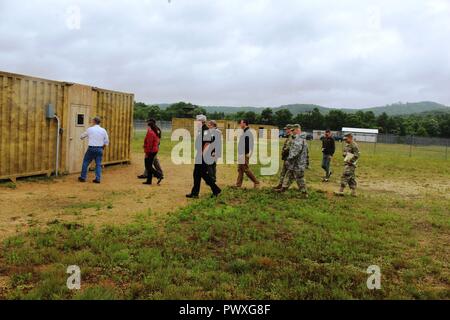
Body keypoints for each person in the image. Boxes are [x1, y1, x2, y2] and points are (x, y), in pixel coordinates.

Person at [186, 115, 222, 199]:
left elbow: (207, 144)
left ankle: (214, 189)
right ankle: (212, 190)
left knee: (199, 174)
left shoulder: (205, 131)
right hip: (201, 156)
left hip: (202, 157)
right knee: (199, 174)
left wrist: (203, 156)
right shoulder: (202, 130)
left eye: (197, 121)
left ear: (201, 121)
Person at [277, 124, 308, 197]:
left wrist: (289, 158)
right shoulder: (299, 138)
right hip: (295, 163)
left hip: (298, 163)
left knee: (300, 178)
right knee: (289, 175)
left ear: (297, 130)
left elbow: (295, 152)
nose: (292, 132)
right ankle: (283, 188)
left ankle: (304, 193)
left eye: (293, 130)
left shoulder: (299, 139)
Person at [79, 117, 109, 184]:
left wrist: (83, 136)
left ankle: (83, 177)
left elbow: (81, 136)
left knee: (86, 162)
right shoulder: (103, 130)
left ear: (94, 122)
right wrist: (102, 148)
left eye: (92, 121)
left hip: (91, 148)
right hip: (100, 148)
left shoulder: (90, 129)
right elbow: (106, 141)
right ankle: (98, 179)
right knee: (98, 164)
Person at [138, 119, 164, 184]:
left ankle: (159, 175)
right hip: (154, 149)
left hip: (151, 150)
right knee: (149, 165)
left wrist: (147, 152)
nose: (146, 126)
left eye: (147, 124)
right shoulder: (153, 130)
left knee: (148, 166)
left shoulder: (151, 132)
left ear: (150, 125)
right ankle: (149, 180)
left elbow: (150, 144)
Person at [235, 119, 260, 189]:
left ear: (245, 124)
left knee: (245, 169)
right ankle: (238, 185)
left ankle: (256, 182)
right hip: (241, 153)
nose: (240, 124)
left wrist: (245, 153)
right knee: (240, 169)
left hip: (243, 153)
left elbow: (248, 144)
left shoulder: (248, 132)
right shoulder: (245, 131)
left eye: (241, 123)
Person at [335, 133, 360, 197]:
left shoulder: (354, 145)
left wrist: (350, 161)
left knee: (345, 175)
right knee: (351, 178)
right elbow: (344, 152)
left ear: (350, 137)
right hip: (347, 162)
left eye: (346, 139)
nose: (345, 140)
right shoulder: (347, 145)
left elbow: (357, 155)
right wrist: (344, 154)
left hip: (351, 164)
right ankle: (353, 192)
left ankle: (341, 191)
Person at [274, 124, 294, 190]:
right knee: (283, 172)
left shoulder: (291, 138)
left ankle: (284, 186)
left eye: (286, 129)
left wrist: (283, 152)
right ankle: (280, 184)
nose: (285, 131)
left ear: (290, 130)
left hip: (289, 158)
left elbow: (288, 148)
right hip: (286, 158)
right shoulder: (289, 137)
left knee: (288, 173)